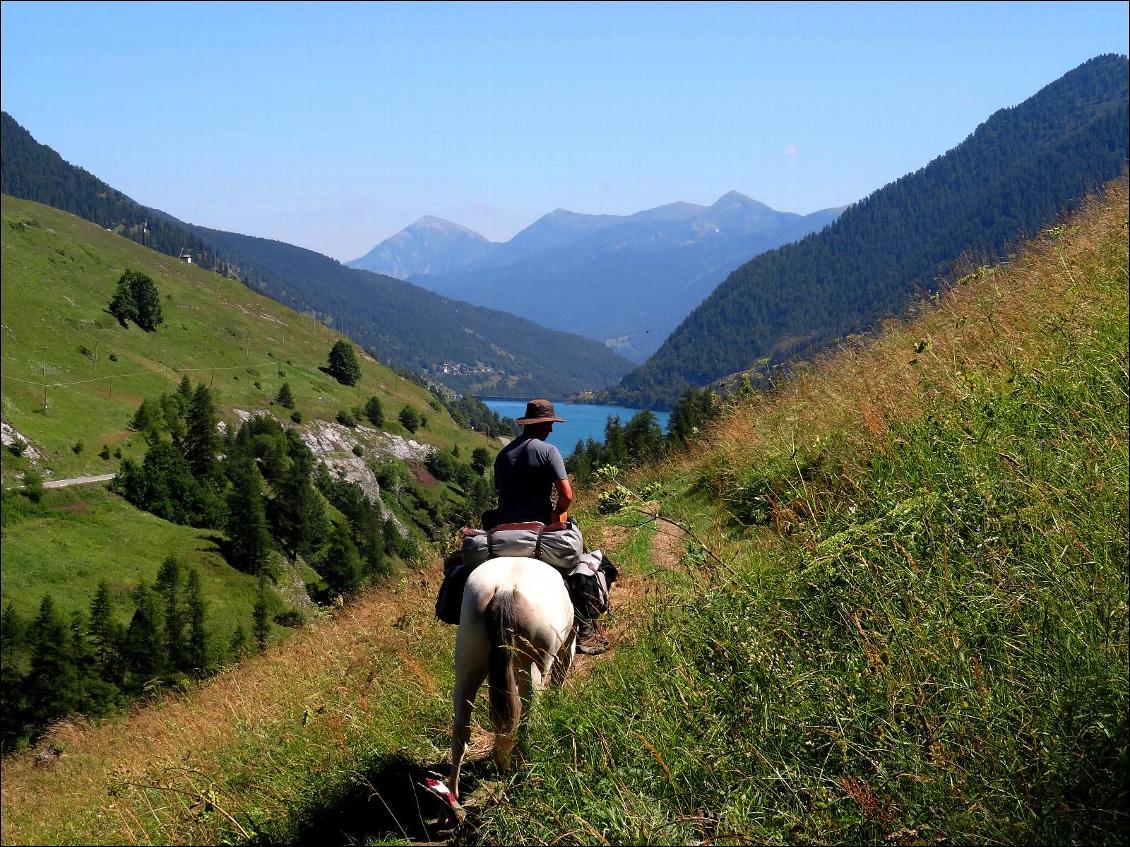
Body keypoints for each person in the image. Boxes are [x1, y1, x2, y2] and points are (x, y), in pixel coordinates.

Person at [492, 399, 608, 654]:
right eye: (549, 424)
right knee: (581, 563)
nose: (551, 430)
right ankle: (586, 630)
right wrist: (557, 513)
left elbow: (502, 492)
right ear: (542, 424)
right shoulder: (548, 451)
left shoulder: (502, 455)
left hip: (502, 530)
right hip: (538, 530)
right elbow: (566, 494)